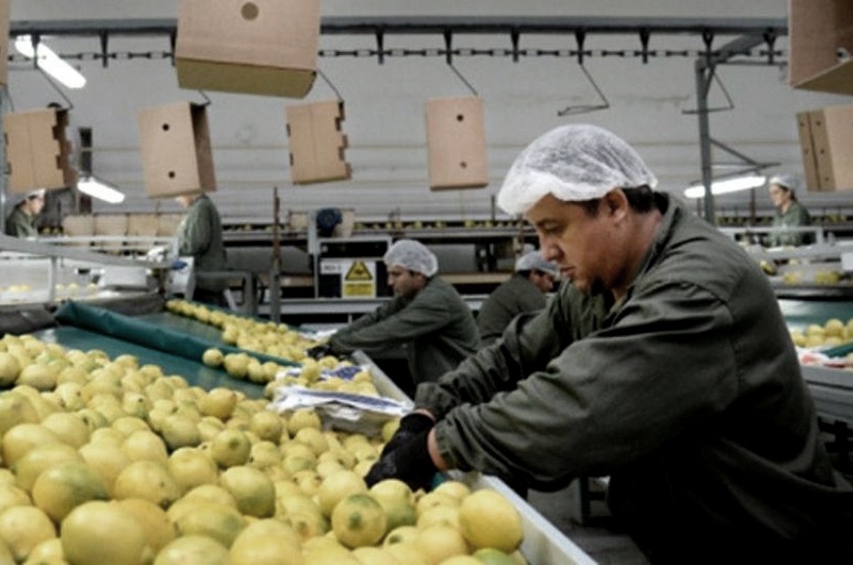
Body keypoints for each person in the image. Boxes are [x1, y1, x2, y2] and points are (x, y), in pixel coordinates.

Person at [364, 124, 853, 563]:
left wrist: (436, 447)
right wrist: (429, 409)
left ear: (615, 205)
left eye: (554, 229)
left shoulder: (696, 290)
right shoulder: (600, 281)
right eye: (538, 231)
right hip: (691, 532)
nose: (548, 252)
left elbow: (579, 407)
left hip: (767, 540)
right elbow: (513, 353)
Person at [310, 239, 480, 397]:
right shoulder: (413, 295)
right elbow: (378, 317)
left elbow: (392, 330)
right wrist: (334, 339)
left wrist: (338, 345)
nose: (390, 282)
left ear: (419, 274)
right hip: (440, 385)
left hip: (461, 388)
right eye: (389, 274)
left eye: (396, 275)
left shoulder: (436, 300)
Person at [476, 250, 557, 346]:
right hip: (499, 351)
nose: (551, 286)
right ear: (534, 273)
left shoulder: (510, 288)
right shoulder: (528, 293)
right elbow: (548, 330)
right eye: (550, 279)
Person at [174, 191, 227, 306]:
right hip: (205, 279)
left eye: (179, 195)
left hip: (204, 280)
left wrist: (172, 253)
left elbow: (196, 243)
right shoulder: (199, 207)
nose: (178, 200)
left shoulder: (200, 208)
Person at [766, 173, 814, 247]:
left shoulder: (798, 211)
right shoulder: (778, 214)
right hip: (783, 255)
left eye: (776, 193)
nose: (772, 197)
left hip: (802, 256)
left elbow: (795, 240)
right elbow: (772, 236)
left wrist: (775, 240)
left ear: (788, 193)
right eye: (771, 194)